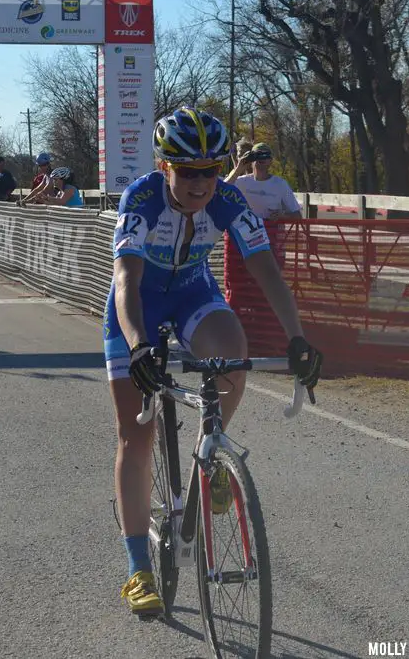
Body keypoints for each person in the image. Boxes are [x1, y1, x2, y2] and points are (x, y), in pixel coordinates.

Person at [102, 107, 323, 616]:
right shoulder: (141, 197)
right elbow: (125, 281)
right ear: (165, 168)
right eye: (188, 172)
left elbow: (265, 268)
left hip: (193, 294)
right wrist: (137, 345)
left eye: (210, 169)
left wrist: (297, 338)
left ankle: (211, 452)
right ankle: (138, 569)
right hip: (137, 306)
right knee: (136, 437)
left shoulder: (226, 198)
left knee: (234, 354)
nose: (201, 183)